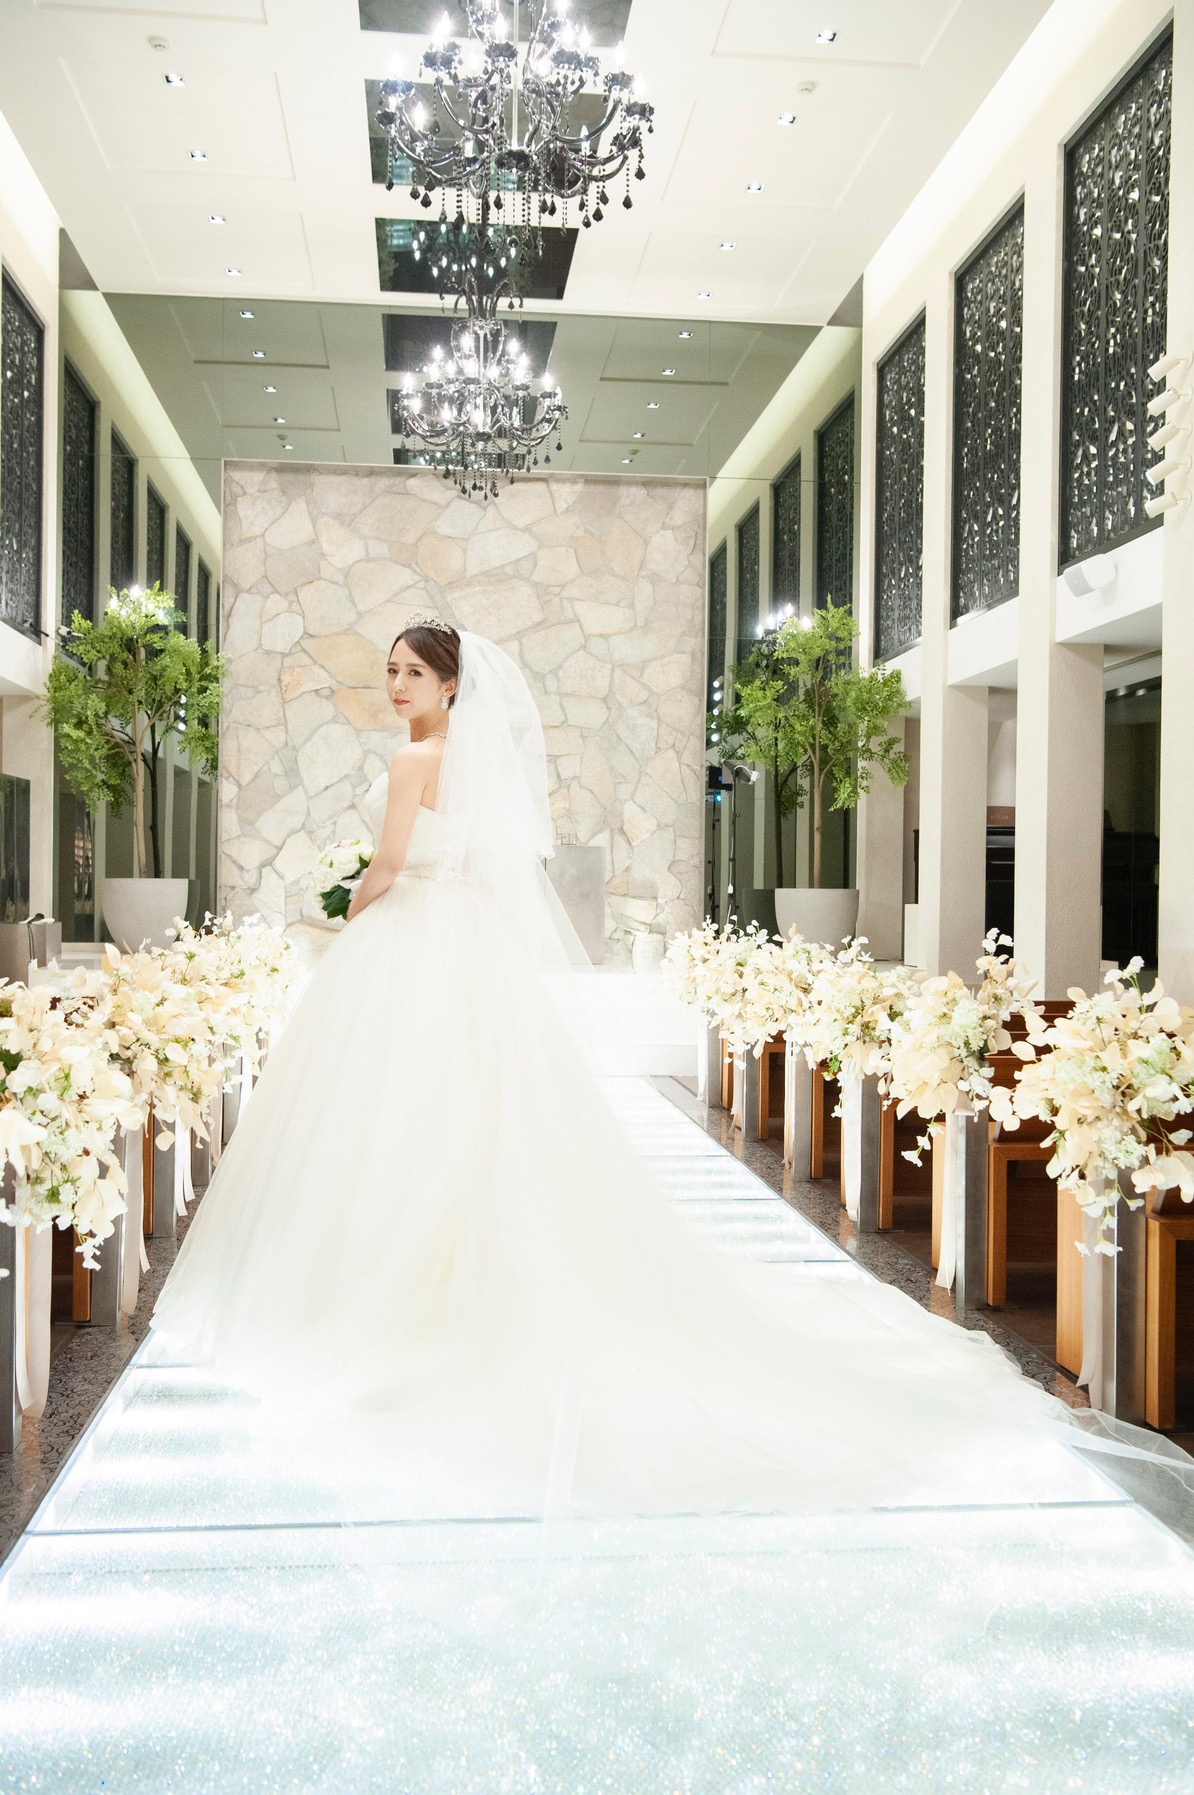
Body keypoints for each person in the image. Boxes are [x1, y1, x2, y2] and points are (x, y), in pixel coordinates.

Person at [152, 616, 1181, 1519]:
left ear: (452, 684)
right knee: (467, 1113)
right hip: (461, 946)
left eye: (412, 673)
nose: (396, 686)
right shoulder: (468, 760)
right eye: (391, 671)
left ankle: (397, 1295)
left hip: (413, 942)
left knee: (402, 1114)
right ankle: (446, 1287)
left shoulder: (414, 757)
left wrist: (345, 916)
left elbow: (385, 866)